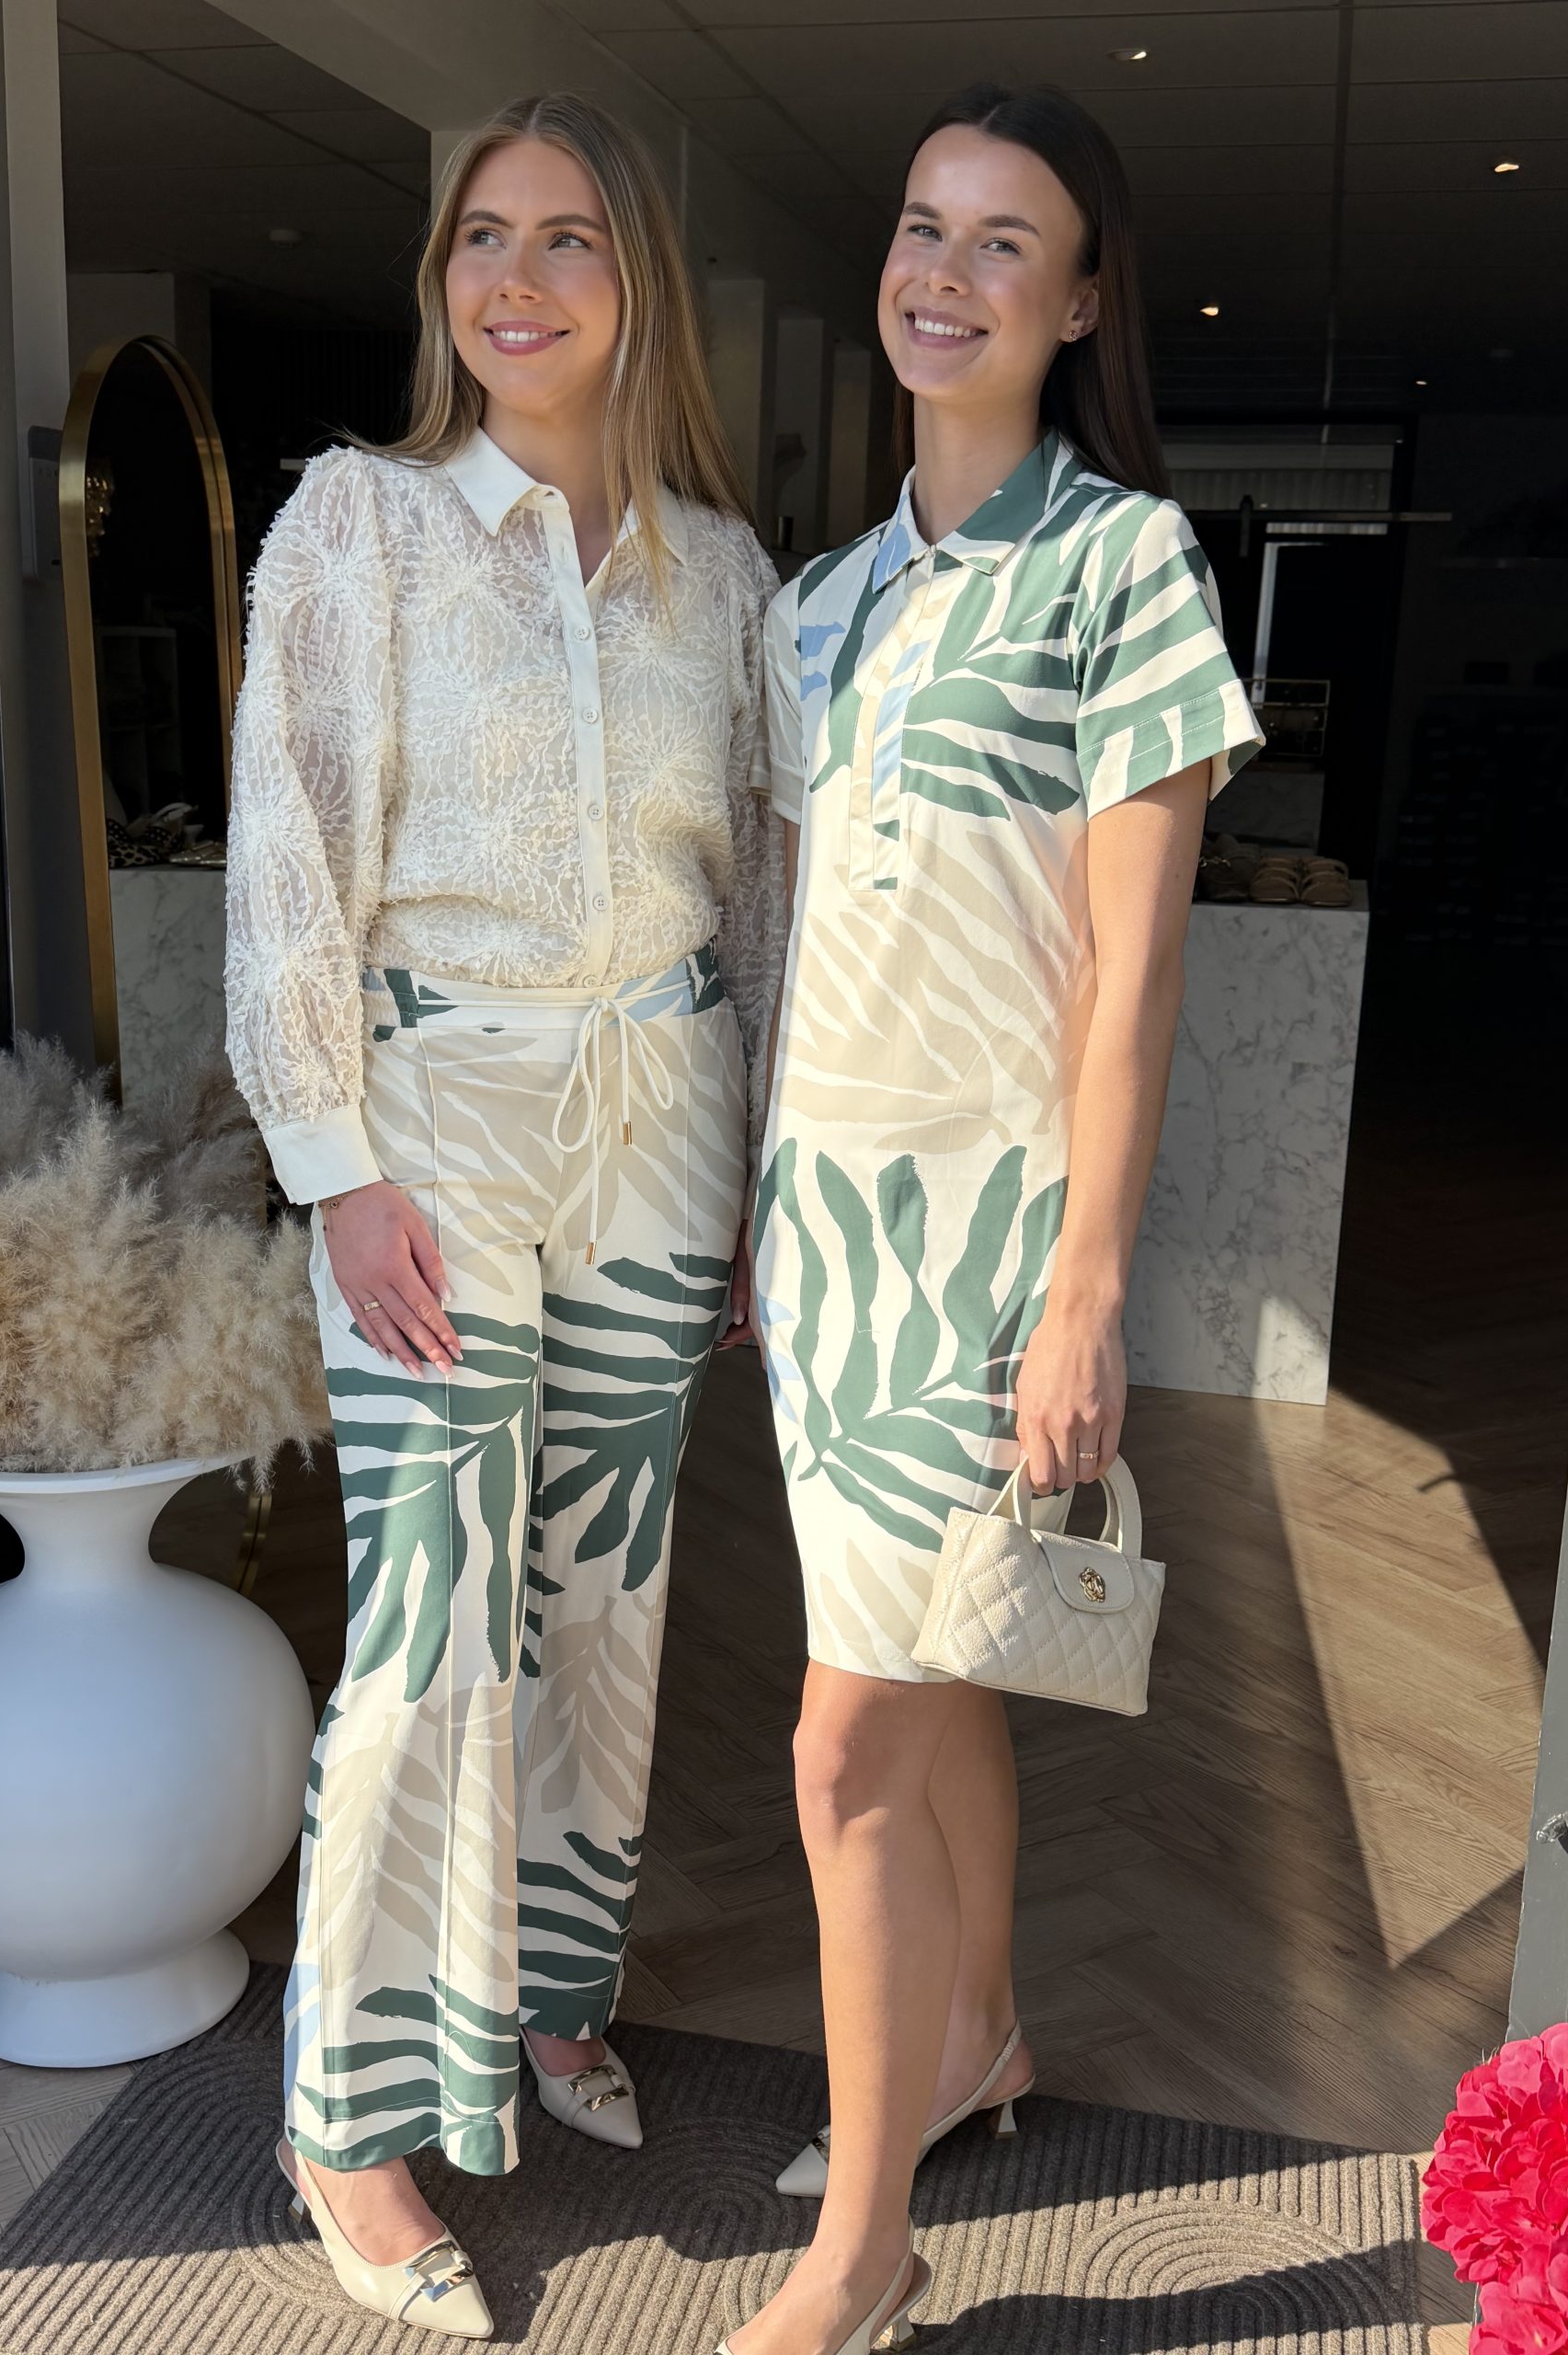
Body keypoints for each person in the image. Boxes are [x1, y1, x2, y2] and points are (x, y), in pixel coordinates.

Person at [223, 90, 783, 2340]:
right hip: (435, 1116)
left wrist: (764, 1178)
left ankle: (545, 1997)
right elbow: (287, 856)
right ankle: (347, 2114)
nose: (516, 280)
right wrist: (335, 1165)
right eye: (482, 236)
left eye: (567, 238)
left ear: (639, 284)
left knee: (609, 1599)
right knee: (433, 1613)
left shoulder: (723, 574)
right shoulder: (356, 525)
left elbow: (770, 886)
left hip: (664, 1110)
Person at [733, 81, 1263, 2355]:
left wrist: (1087, 1287)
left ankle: (864, 2251)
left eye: (1002, 241)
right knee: (934, 1679)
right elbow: (797, 943)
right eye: (921, 226)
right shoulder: (819, 604)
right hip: (823, 1233)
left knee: (845, 1741)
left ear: (1079, 300)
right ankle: (973, 2039)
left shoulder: (1124, 567)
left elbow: (1134, 977)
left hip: (983, 1246)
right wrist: (757, 1218)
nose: (941, 274)